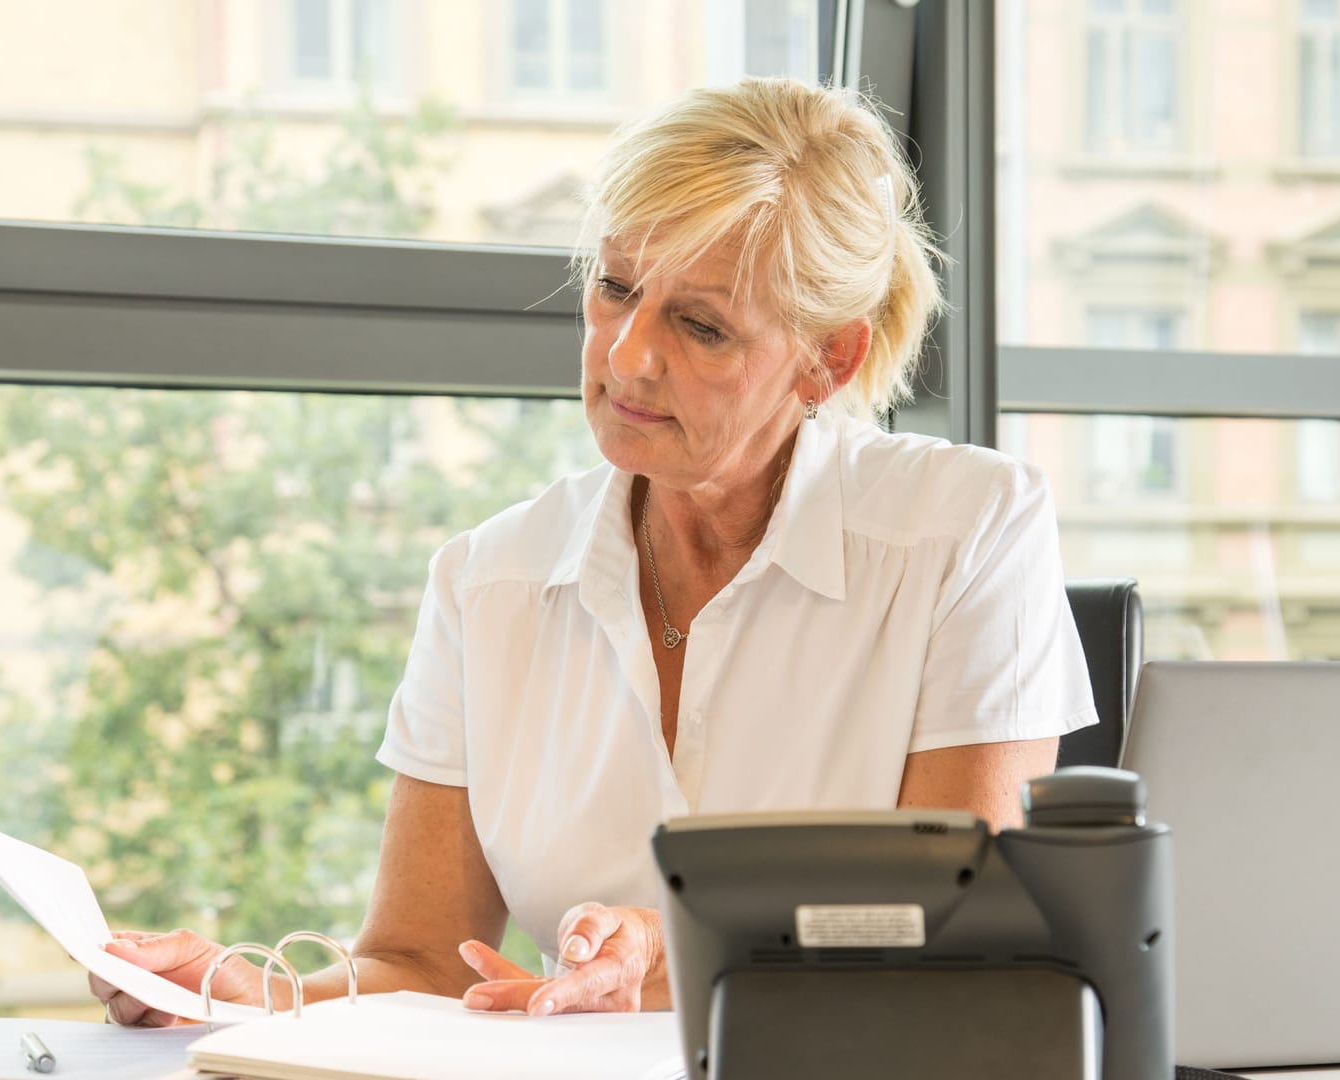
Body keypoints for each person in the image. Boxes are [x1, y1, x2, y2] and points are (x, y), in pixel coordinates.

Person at [92, 76, 1097, 1026]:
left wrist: (693, 951)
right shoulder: (489, 582)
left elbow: (956, 941)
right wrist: (238, 992)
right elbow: (422, 963)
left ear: (828, 358)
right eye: (617, 287)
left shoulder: (967, 530)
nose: (627, 356)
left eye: (701, 326)